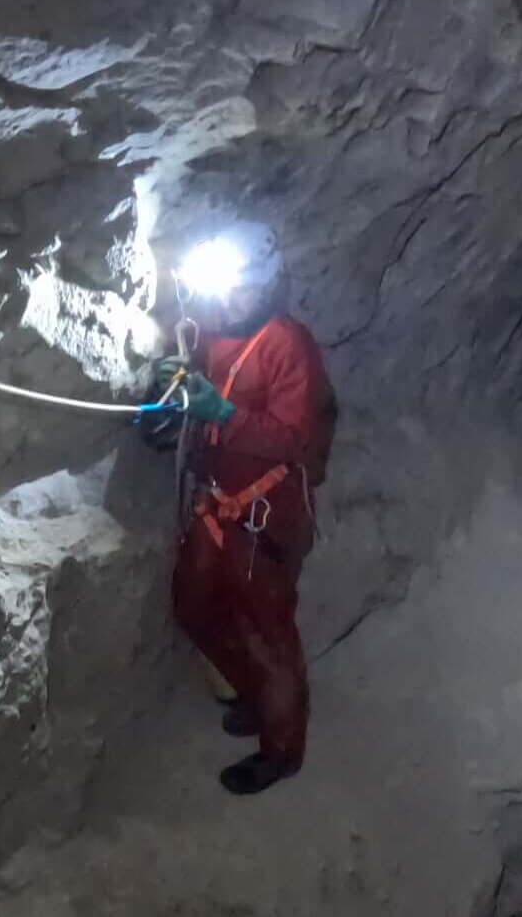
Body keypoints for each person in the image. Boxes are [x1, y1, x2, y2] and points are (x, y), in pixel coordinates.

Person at [146, 221, 337, 796]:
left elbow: (294, 440)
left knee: (266, 630)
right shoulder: (206, 328)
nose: (231, 300)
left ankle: (282, 750)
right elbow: (197, 387)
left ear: (269, 283)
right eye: (224, 288)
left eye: (244, 289)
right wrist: (172, 399)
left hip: (265, 512)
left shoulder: (288, 344)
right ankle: (255, 695)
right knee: (194, 606)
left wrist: (222, 414)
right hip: (216, 502)